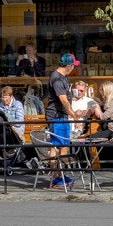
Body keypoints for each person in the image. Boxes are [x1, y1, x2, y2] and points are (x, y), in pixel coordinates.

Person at [39, 52, 80, 187]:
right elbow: (63, 100)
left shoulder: (62, 78)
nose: (73, 68)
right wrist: (73, 115)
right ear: (68, 66)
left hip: (62, 116)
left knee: (64, 146)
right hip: (56, 116)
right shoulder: (56, 78)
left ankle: (61, 174)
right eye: (73, 66)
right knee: (56, 146)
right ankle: (56, 177)